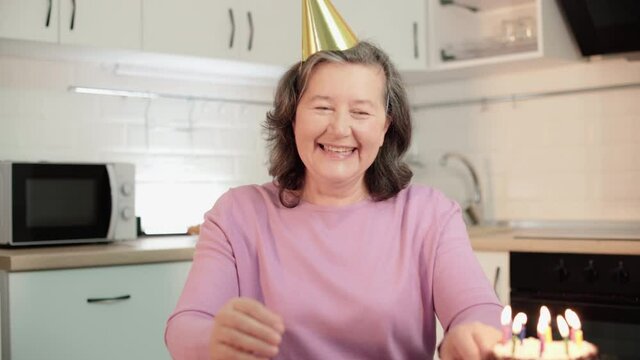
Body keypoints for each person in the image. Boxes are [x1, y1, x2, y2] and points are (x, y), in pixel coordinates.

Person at [165, 41, 503, 360]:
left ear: (386, 127)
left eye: (360, 112)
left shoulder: (430, 214)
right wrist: (213, 340)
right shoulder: (237, 214)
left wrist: (469, 336)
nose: (340, 129)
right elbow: (184, 326)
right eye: (323, 107)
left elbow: (479, 310)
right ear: (292, 117)